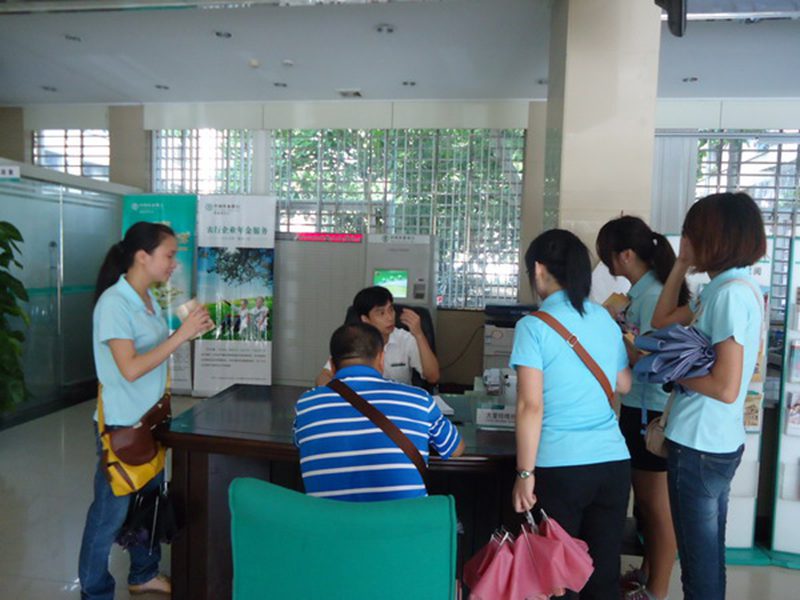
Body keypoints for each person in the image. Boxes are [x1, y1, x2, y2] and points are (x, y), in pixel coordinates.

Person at [79, 222, 213, 600]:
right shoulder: (114, 304)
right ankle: (94, 590)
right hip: (123, 423)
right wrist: (180, 335)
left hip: (150, 420)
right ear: (142, 256)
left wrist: (189, 328)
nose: (174, 263)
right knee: (109, 516)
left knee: (148, 504)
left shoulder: (151, 297)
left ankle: (144, 573)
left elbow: (158, 349)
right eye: (169, 255)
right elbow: (131, 368)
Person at [651, 192, 765, 600]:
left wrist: (669, 369)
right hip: (713, 440)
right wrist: (680, 264)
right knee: (708, 558)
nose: (687, 240)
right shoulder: (726, 287)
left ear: (714, 237)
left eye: (691, 234)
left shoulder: (730, 293)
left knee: (699, 567)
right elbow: (662, 321)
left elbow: (725, 387)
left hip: (700, 444)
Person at [511, 229, 632, 600]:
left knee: (558, 580)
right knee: (603, 574)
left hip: (561, 468)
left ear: (539, 269)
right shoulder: (604, 319)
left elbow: (530, 406)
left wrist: (524, 474)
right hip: (613, 463)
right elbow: (623, 384)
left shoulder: (532, 326)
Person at [596, 216, 690, 600]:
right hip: (638, 405)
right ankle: (647, 574)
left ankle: (657, 590)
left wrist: (616, 335)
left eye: (607, 255)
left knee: (655, 507)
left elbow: (652, 359)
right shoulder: (642, 291)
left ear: (626, 255)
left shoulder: (653, 295)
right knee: (646, 505)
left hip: (651, 410)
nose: (606, 263)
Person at [295, 322, 464, 501]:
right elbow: (456, 449)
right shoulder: (419, 400)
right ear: (381, 359)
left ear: (332, 365)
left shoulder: (306, 404)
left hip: (330, 519)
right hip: (401, 518)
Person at [314, 286, 440, 387]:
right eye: (381, 313)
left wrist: (419, 334)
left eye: (391, 310)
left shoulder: (405, 338)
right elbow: (323, 377)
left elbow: (433, 377)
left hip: (398, 402)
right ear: (365, 319)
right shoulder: (352, 340)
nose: (390, 317)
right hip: (363, 402)